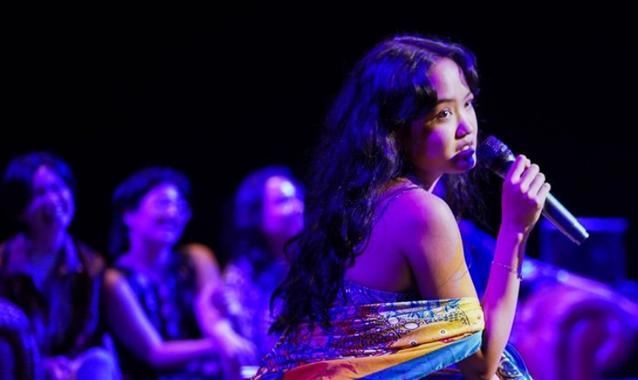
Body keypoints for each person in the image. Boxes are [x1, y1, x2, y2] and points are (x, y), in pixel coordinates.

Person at [253, 35, 550, 380]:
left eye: (467, 104)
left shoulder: (365, 202)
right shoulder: (419, 212)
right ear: (397, 129)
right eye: (443, 113)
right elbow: (480, 364)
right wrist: (515, 228)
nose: (467, 128)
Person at [103, 167, 255, 380]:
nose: (173, 213)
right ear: (129, 214)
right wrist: (218, 343)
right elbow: (154, 353)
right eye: (163, 203)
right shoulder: (116, 280)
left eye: (180, 206)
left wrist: (226, 323)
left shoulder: (197, 257)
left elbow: (214, 319)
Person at [0, 151, 120, 380]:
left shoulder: (91, 265)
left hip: (70, 369)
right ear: (20, 207)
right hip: (18, 368)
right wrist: (39, 363)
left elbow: (92, 334)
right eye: (39, 193)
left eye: (58, 188)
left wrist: (67, 366)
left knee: (100, 362)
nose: (53, 200)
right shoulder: (4, 261)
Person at [219, 166, 304, 370]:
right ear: (256, 213)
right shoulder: (242, 271)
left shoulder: (319, 261)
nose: (297, 207)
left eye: (297, 198)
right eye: (283, 201)